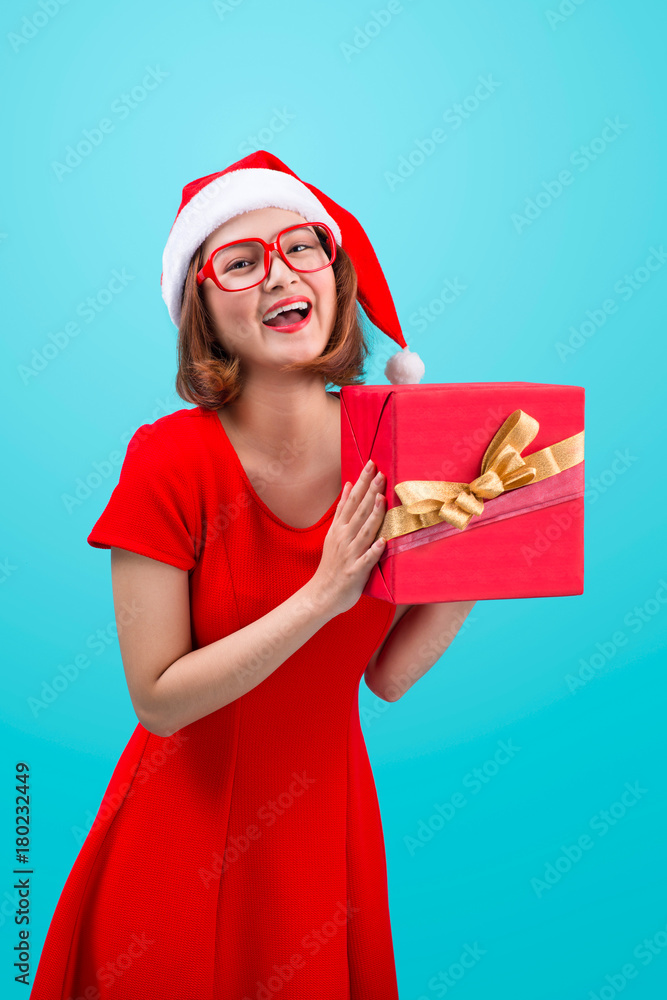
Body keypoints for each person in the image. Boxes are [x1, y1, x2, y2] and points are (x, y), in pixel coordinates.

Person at [30, 150, 476, 1000]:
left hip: (323, 833)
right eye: (240, 262)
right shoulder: (167, 460)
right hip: (180, 842)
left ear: (333, 274)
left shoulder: (394, 445)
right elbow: (158, 697)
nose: (279, 273)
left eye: (301, 247)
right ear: (201, 304)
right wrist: (320, 596)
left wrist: (472, 551)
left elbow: (384, 677)